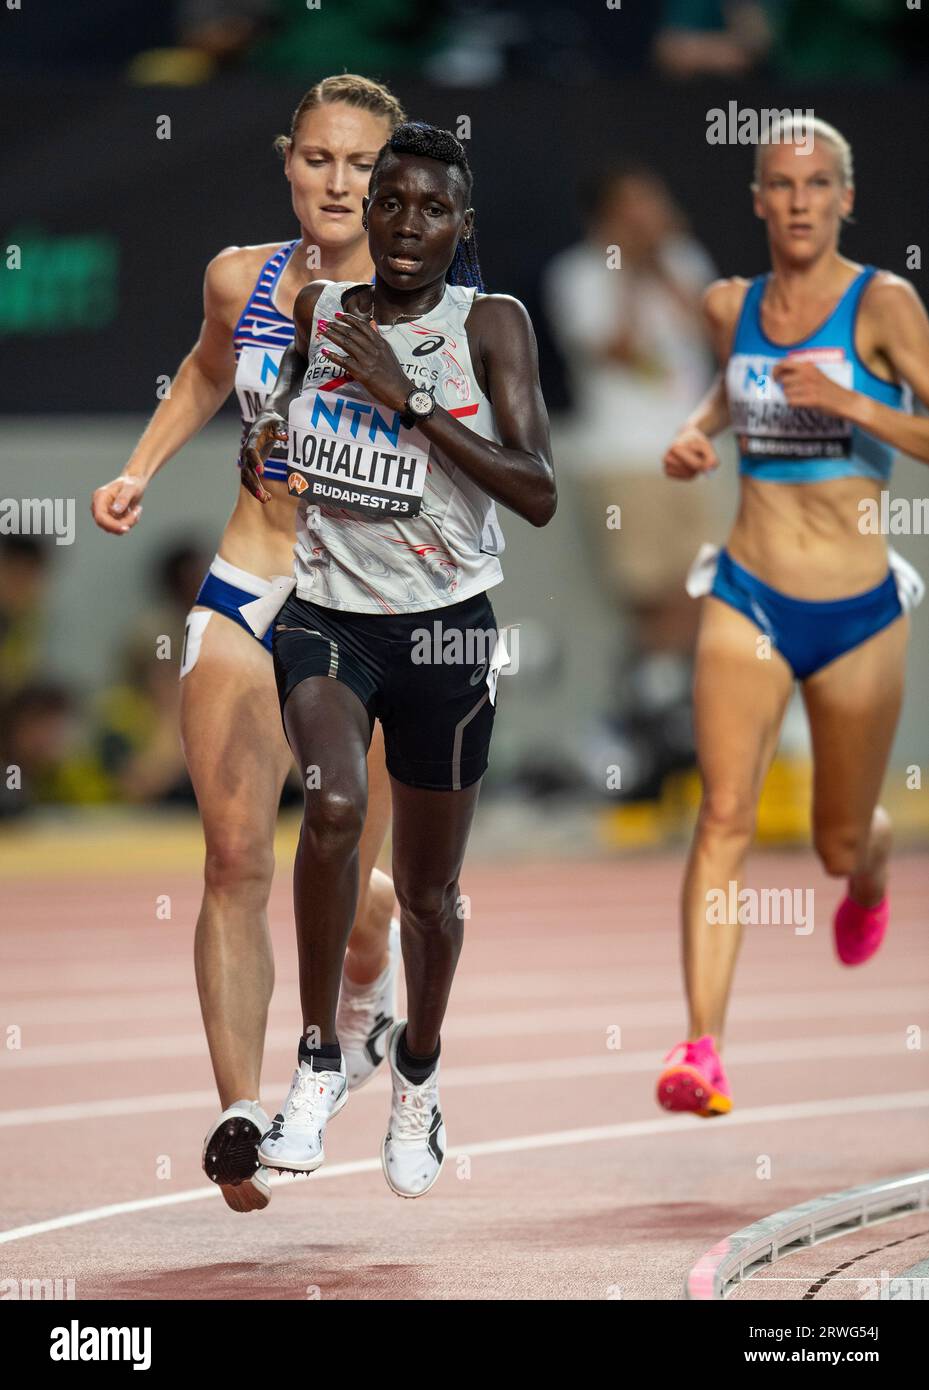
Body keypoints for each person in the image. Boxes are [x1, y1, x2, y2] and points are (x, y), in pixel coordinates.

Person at [90, 75, 407, 1212]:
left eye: (361, 164)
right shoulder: (242, 275)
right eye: (318, 158)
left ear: (397, 176)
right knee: (233, 860)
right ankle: (239, 1109)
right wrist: (139, 467)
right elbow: (206, 365)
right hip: (249, 584)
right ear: (287, 161)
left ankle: (372, 997)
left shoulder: (428, 305)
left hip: (370, 609)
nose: (336, 181)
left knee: (366, 881)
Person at [243, 121, 556, 1197]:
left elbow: (539, 489)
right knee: (329, 809)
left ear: (459, 224)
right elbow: (284, 413)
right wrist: (269, 435)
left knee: (428, 892)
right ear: (366, 214)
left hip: (446, 629)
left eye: (431, 207)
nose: (407, 223)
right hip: (329, 614)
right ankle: (318, 1058)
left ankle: (416, 1069)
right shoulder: (322, 311)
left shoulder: (492, 324)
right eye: (390, 202)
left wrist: (407, 398)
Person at [657, 116, 928, 1117]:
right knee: (722, 814)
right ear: (758, 201)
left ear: (844, 199)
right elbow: (719, 399)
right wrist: (689, 435)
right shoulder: (726, 303)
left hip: (856, 610)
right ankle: (700, 1048)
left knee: (831, 840)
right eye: (781, 183)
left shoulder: (882, 303)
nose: (801, 199)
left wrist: (854, 404)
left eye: (818, 183)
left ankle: (868, 871)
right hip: (747, 593)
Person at [543, 165, 717, 797]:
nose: (651, 216)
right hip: (624, 457)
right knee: (654, 597)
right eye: (636, 206)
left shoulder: (685, 261)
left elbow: (712, 332)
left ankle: (646, 715)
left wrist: (662, 267)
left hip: (688, 450)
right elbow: (611, 348)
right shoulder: (580, 273)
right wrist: (627, 270)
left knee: (700, 585)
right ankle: (642, 722)